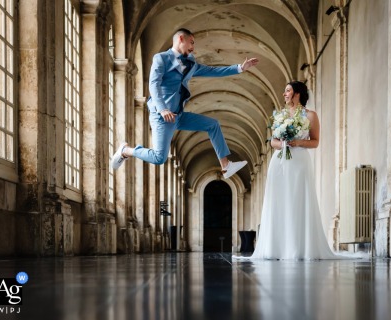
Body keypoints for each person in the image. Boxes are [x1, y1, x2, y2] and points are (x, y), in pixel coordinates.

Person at [111, 28, 259, 179]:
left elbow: (213, 70)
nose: (193, 47)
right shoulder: (161, 58)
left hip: (178, 115)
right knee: (159, 158)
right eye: (192, 42)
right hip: (163, 116)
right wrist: (162, 109)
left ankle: (226, 165)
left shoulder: (191, 64)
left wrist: (240, 68)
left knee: (213, 125)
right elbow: (153, 85)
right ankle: (126, 150)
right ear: (181, 38)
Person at [237, 81, 345, 260]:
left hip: (299, 162)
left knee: (298, 199)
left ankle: (299, 247)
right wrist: (283, 143)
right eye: (285, 90)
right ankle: (276, 248)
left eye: (287, 90)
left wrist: (298, 142)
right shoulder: (280, 115)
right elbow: (272, 142)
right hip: (279, 163)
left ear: (297, 93)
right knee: (278, 201)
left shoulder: (310, 116)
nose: (284, 94)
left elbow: (315, 141)